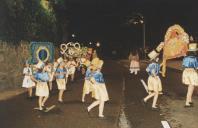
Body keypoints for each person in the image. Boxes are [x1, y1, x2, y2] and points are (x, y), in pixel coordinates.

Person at [182, 43, 198, 107]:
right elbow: (196, 67)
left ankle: (190, 100)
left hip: (186, 72)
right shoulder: (195, 58)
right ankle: (187, 103)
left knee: (191, 87)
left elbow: (183, 65)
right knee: (190, 88)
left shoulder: (185, 57)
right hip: (192, 73)